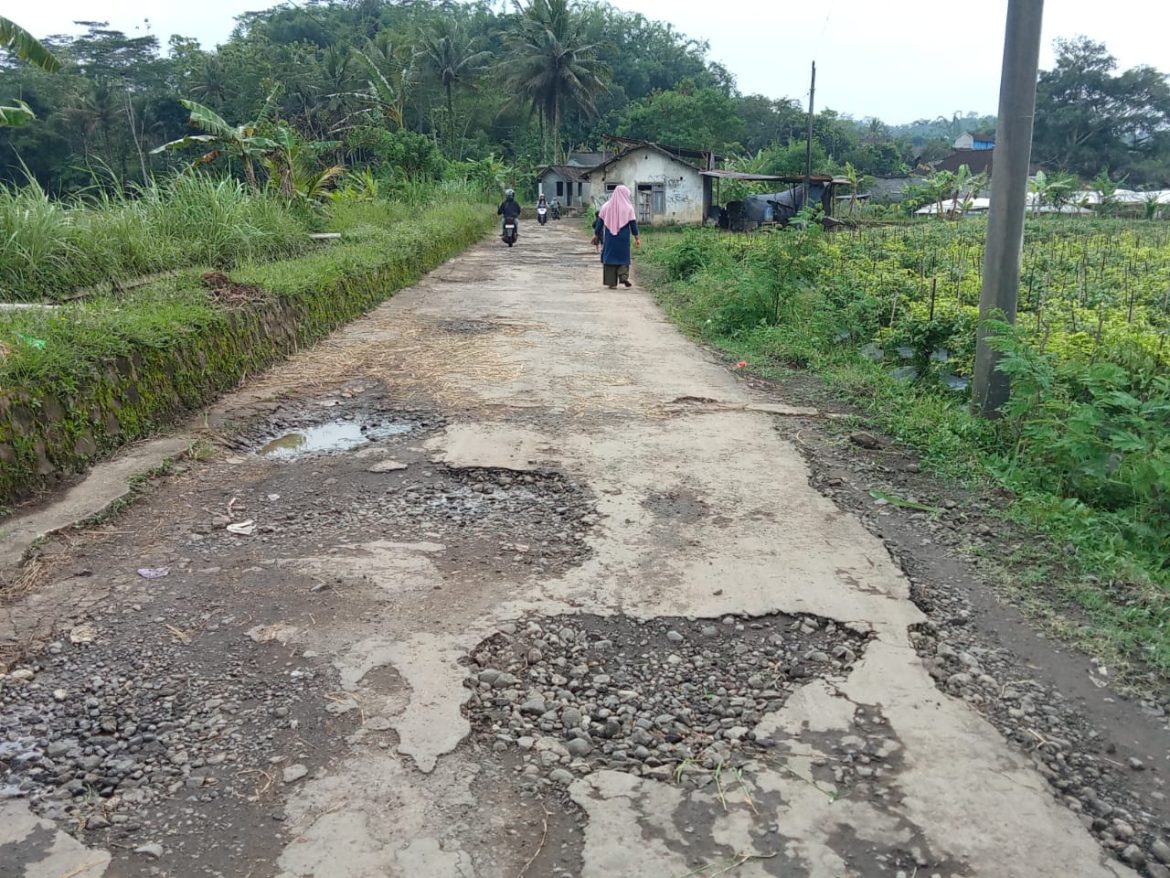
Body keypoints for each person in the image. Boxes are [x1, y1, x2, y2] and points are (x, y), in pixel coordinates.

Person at [592, 184, 640, 289]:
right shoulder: (629, 208)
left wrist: (596, 235)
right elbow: (633, 225)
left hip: (610, 237)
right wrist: (637, 238)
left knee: (609, 257)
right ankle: (623, 276)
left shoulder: (605, 206)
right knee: (623, 257)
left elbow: (599, 224)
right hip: (623, 238)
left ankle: (611, 282)